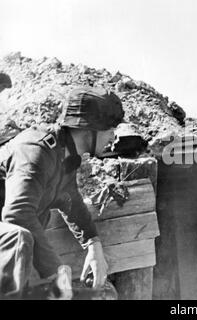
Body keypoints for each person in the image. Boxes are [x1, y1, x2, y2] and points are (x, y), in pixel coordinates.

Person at [0, 86, 124, 298]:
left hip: (10, 256)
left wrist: (93, 245)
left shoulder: (64, 154)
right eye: (110, 131)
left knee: (103, 295)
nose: (114, 138)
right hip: (9, 245)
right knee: (18, 236)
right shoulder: (36, 152)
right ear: (89, 129)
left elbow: (70, 200)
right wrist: (57, 274)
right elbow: (17, 215)